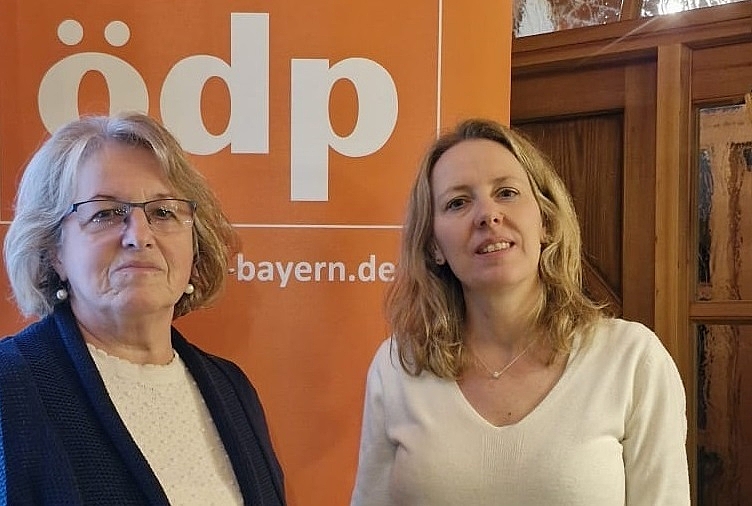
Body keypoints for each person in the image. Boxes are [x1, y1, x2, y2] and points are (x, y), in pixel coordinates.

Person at [351, 118, 690, 505]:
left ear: (546, 220)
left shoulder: (632, 360)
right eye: (457, 202)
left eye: (507, 192)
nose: (488, 215)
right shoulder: (398, 367)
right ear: (433, 246)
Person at [0, 112, 285, 505]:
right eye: (105, 213)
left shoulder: (231, 389)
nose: (139, 236)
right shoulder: (10, 387)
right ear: (53, 252)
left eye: (163, 212)